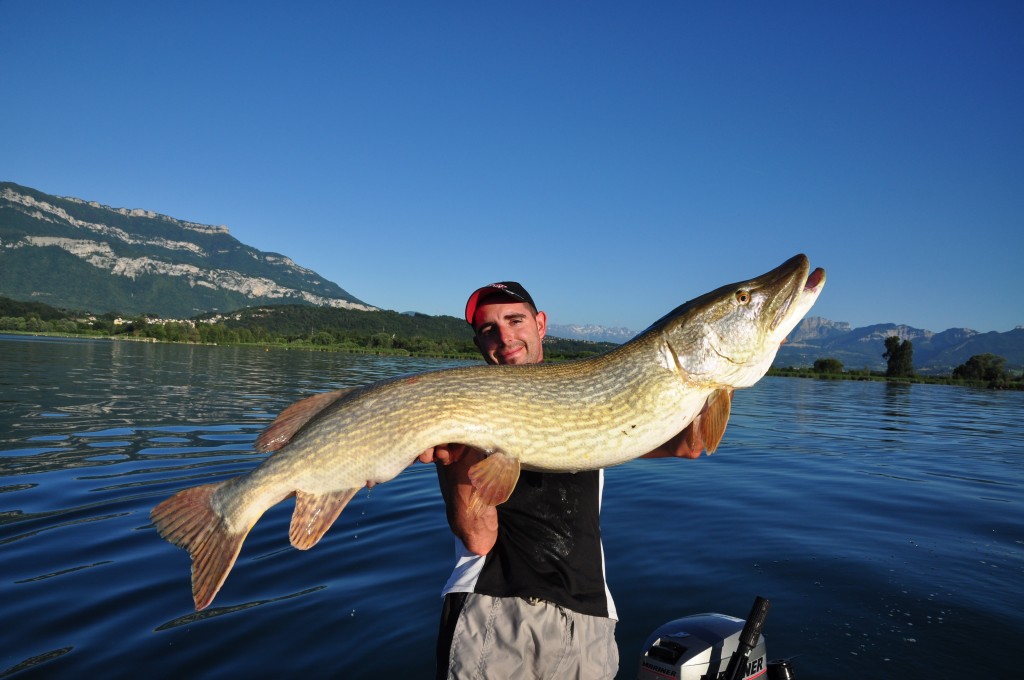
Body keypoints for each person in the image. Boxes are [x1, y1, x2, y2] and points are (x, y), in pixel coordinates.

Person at [419, 281, 702, 680]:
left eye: (514, 320)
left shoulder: (590, 401)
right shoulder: (466, 408)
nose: (504, 337)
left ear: (540, 324)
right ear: (480, 344)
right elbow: (478, 537)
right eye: (488, 330)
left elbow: (690, 444)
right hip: (494, 612)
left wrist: (719, 373)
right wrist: (454, 459)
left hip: (590, 623)